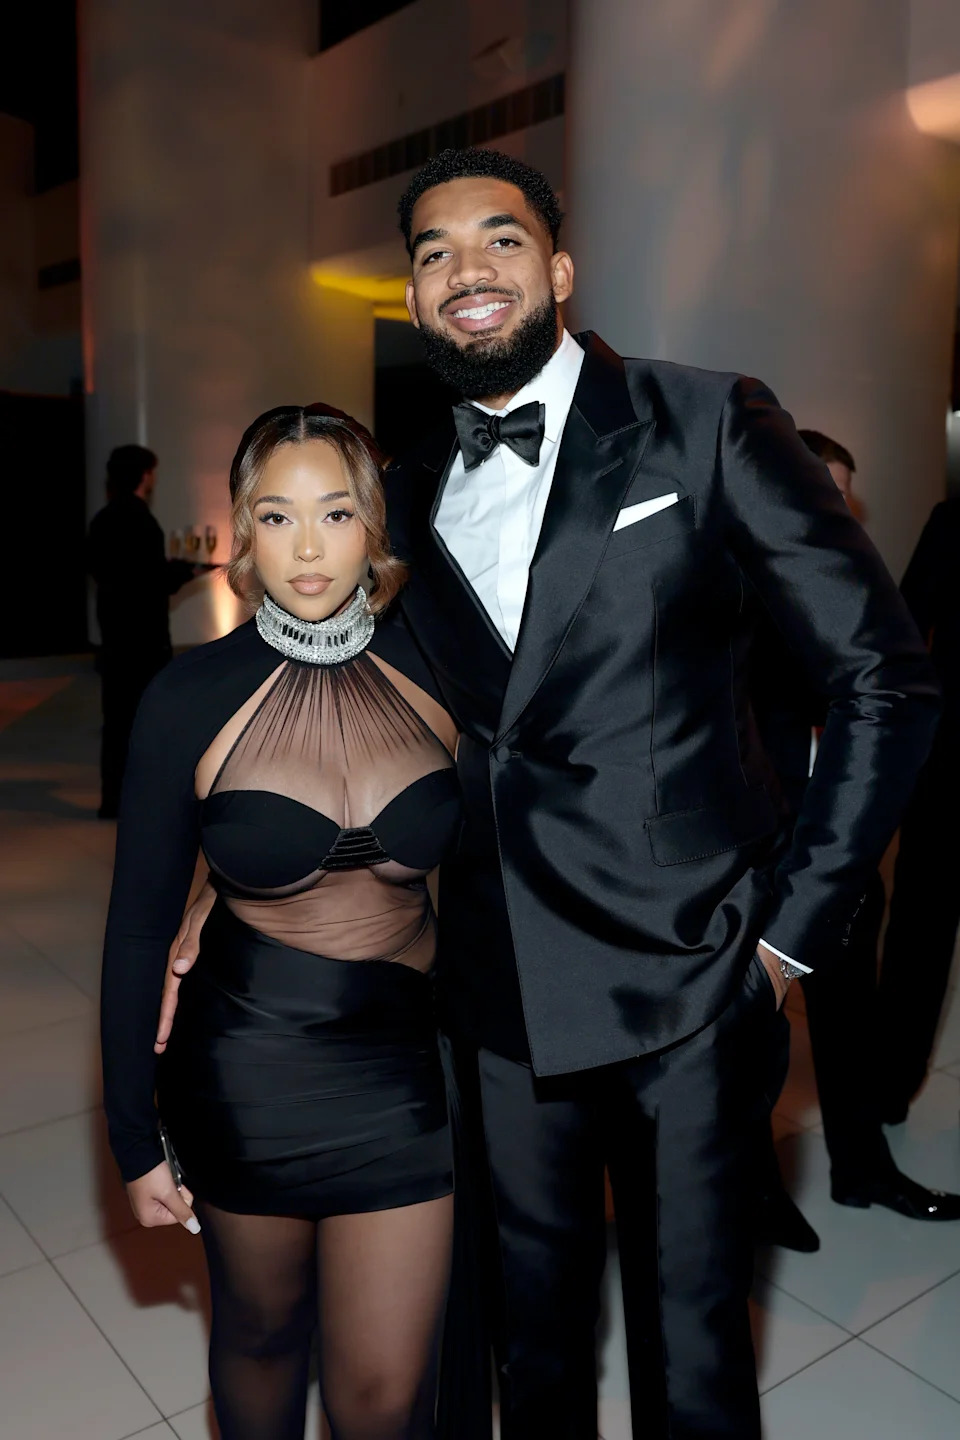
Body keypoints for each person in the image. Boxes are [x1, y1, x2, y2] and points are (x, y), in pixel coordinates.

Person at [160, 151, 939, 1439]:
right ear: (412, 296)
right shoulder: (401, 495)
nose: (467, 270)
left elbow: (884, 680)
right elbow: (332, 706)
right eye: (432, 252)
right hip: (492, 990)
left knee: (695, 1357)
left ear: (559, 270)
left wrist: (792, 932)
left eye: (500, 241)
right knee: (530, 1347)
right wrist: (211, 887)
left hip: (693, 976)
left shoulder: (707, 420)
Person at [100, 405, 461, 1440]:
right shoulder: (188, 697)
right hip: (251, 1065)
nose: (309, 547)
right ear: (243, 535)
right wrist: (134, 1142)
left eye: (336, 512)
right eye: (277, 515)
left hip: (406, 1071)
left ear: (373, 525)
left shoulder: (440, 673)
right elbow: (134, 934)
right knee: (260, 1347)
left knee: (386, 1398)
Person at [749, 431, 960, 1254]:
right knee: (758, 1032)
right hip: (758, 843)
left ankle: (861, 1168)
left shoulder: (843, 586)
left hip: (834, 840)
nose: (839, 515)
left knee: (846, 1013)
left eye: (845, 499)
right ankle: (758, 1188)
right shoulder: (737, 584)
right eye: (824, 494)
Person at [875, 496, 960, 1122]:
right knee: (922, 926)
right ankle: (892, 1083)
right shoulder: (954, 518)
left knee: (920, 925)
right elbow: (905, 630)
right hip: (948, 763)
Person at [86, 445, 204, 818]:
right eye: (151, 472)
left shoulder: (102, 519)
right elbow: (151, 582)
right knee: (149, 720)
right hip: (144, 638)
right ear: (143, 475)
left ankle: (112, 800)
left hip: (115, 637)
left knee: (116, 720)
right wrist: (187, 571)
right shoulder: (142, 521)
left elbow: (111, 573)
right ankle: (150, 800)